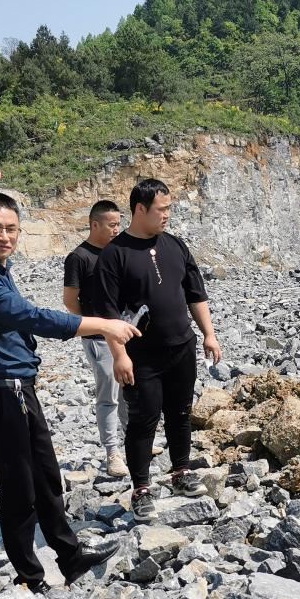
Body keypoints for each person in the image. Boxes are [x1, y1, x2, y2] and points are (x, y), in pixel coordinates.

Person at [0, 191, 137, 594]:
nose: (4, 236)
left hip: (13, 388)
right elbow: (29, 316)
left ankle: (69, 556)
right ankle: (30, 579)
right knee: (19, 488)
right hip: (2, 395)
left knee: (47, 477)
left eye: (11, 229)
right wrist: (103, 325)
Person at [94, 178, 222, 521]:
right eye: (161, 209)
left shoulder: (175, 245)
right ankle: (141, 489)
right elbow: (107, 314)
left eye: (169, 208)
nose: (167, 215)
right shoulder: (114, 255)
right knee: (143, 419)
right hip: (141, 355)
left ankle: (181, 471)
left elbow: (195, 293)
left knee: (180, 413)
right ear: (140, 209)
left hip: (181, 346)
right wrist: (119, 355)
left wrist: (209, 335)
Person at [63, 200, 130, 477]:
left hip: (125, 333)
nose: (117, 229)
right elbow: (70, 300)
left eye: (119, 224)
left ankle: (134, 440)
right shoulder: (78, 258)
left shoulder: (117, 252)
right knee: (109, 395)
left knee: (129, 390)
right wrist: (94, 325)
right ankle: (113, 453)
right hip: (99, 339)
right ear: (94, 224)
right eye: (112, 225)